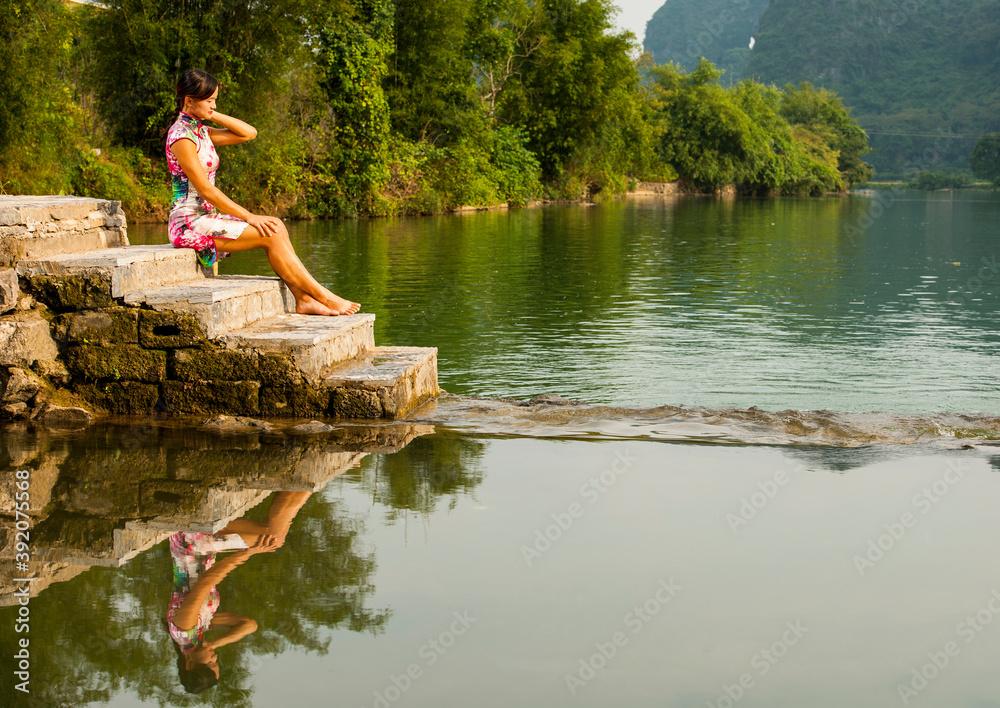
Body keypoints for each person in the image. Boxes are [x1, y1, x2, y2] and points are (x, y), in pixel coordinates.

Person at [165, 68, 359, 316]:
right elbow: (205, 189)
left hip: (206, 217)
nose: (214, 105)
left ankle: (303, 299)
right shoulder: (181, 136)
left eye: (215, 100)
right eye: (209, 100)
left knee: (275, 226)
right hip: (188, 223)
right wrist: (249, 216)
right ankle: (324, 296)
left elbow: (249, 133)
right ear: (189, 100)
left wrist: (210, 113)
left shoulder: (200, 131)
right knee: (270, 233)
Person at [166, 491, 313, 693]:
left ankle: (303, 485)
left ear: (189, 663)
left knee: (272, 537)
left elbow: (208, 580)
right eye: (215, 662)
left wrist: (247, 554)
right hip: (203, 546)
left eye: (210, 662)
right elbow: (248, 625)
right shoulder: (198, 632)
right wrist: (213, 644)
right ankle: (304, 486)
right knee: (272, 537)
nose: (214, 658)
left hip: (189, 543)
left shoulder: (183, 629)